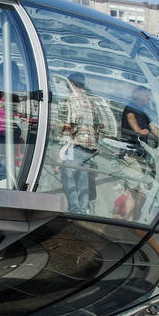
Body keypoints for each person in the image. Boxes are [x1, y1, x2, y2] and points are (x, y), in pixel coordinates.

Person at [59, 74, 102, 214]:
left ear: (70, 83)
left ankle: (74, 209)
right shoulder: (91, 101)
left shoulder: (72, 99)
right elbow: (99, 125)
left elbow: (71, 122)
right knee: (83, 180)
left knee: (67, 175)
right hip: (90, 147)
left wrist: (62, 150)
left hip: (77, 143)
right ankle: (83, 210)